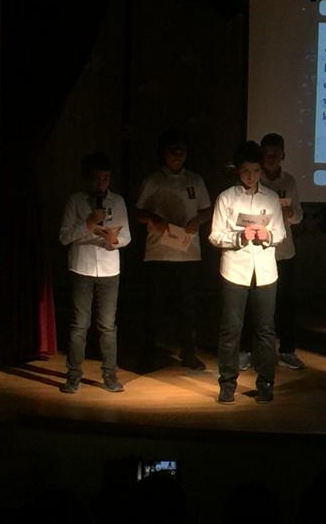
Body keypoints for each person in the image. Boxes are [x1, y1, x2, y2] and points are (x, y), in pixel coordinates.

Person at [209, 141, 286, 404]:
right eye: (245, 171)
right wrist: (239, 237)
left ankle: (265, 383)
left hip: (265, 271)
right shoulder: (226, 197)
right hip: (235, 269)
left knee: (265, 330)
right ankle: (227, 383)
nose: (251, 177)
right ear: (238, 171)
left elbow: (281, 233)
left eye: (255, 171)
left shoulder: (271, 198)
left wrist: (268, 235)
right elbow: (215, 235)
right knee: (231, 329)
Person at [134, 129, 212, 371]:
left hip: (188, 254)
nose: (178, 155)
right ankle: (149, 353)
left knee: (188, 307)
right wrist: (152, 218)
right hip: (158, 253)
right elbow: (137, 211)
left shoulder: (195, 180)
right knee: (154, 306)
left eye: (182, 150)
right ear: (164, 153)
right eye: (173, 150)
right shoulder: (153, 180)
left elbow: (207, 210)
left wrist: (197, 221)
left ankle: (189, 352)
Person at [58, 151, 131, 394]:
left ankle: (110, 375)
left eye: (106, 179)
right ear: (87, 178)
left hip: (109, 269)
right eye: (96, 179)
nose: (101, 184)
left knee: (108, 325)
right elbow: (64, 237)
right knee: (80, 324)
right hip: (82, 267)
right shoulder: (76, 201)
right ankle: (73, 376)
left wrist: (114, 239)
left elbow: (127, 237)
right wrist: (88, 224)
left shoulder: (117, 201)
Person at [260, 132, 306, 370]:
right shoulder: (254, 178)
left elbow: (299, 215)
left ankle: (287, 350)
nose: (271, 158)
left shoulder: (289, 181)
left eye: (275, 154)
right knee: (256, 302)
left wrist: (291, 213)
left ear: (283, 155)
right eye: (267, 154)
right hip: (258, 250)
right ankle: (250, 350)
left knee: (287, 302)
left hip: (284, 251)